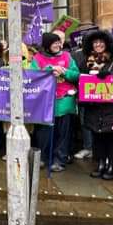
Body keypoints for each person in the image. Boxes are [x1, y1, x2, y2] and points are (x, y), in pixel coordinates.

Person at [79, 30, 113, 180]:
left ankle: (111, 165)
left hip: (112, 107)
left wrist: (110, 76)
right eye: (95, 42)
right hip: (94, 105)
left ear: (107, 44)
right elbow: (80, 78)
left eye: (101, 42)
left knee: (112, 138)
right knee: (97, 137)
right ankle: (100, 163)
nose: (98, 45)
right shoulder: (86, 61)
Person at [31, 32, 80, 171]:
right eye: (55, 43)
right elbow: (33, 76)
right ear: (47, 45)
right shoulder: (38, 58)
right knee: (44, 132)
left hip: (65, 99)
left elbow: (76, 75)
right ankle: (43, 157)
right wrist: (49, 70)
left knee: (63, 132)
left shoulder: (67, 56)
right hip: (45, 100)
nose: (58, 45)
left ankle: (59, 159)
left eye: (59, 42)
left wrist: (64, 72)